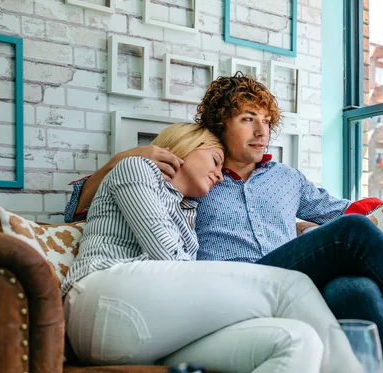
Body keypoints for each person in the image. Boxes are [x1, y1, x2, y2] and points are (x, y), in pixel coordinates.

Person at [65, 73, 383, 373]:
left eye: (266, 121)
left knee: (356, 287)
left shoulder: (286, 179)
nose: (262, 131)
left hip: (285, 281)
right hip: (220, 292)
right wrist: (125, 159)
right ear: (219, 126)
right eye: (247, 119)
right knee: (356, 234)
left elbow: (338, 208)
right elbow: (87, 207)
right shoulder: (193, 178)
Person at [61, 122, 363, 373]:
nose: (219, 174)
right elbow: (168, 260)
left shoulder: (187, 212)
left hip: (156, 331)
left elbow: (180, 284)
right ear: (185, 147)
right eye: (215, 161)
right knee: (291, 286)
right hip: (101, 298)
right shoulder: (136, 169)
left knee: (298, 340)